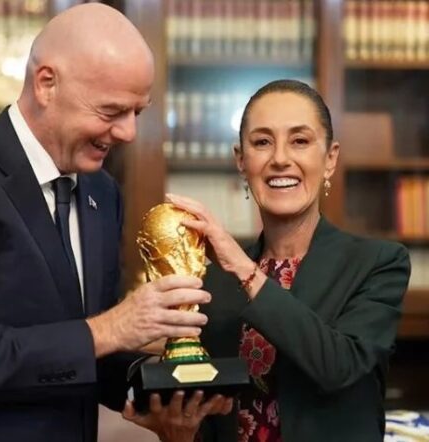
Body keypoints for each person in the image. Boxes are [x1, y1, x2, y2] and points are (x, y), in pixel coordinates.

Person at [0, 4, 229, 442]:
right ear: (46, 84)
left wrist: (156, 392)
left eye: (138, 112)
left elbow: (85, 349)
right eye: (111, 111)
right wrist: (114, 327)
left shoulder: (101, 192)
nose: (128, 133)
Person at [165, 79, 411, 441]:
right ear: (241, 161)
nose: (280, 159)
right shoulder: (213, 281)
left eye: (300, 141)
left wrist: (245, 270)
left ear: (330, 159)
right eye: (262, 142)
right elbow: (210, 415)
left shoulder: (377, 263)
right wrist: (179, 435)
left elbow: (337, 366)